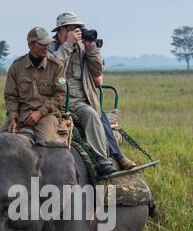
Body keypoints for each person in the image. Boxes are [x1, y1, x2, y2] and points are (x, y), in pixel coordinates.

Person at [49, 12, 136, 176]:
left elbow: (98, 73)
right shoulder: (50, 48)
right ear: (62, 30)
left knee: (94, 112)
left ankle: (105, 160)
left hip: (83, 99)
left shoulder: (82, 49)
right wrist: (67, 45)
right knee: (92, 113)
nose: (78, 33)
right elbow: (52, 68)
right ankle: (106, 160)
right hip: (59, 99)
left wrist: (91, 47)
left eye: (80, 29)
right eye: (74, 29)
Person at [0, 27, 66, 141]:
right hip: (21, 117)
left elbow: (60, 96)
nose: (46, 47)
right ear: (30, 45)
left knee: (45, 145)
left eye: (48, 44)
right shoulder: (16, 67)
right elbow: (11, 96)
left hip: (47, 116)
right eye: (42, 44)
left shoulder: (57, 66)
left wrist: (40, 113)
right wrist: (12, 118)